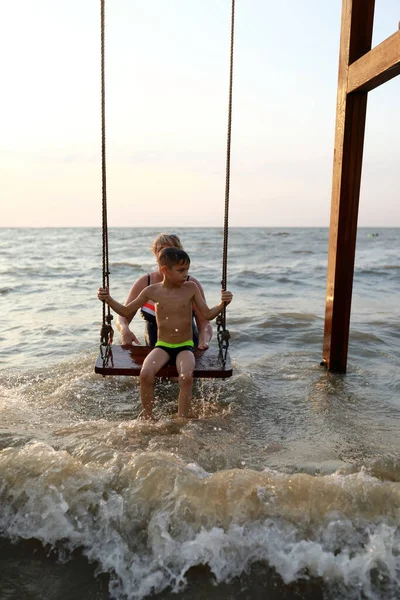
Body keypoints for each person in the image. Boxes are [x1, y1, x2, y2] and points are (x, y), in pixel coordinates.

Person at [98, 247, 233, 420]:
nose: (186, 274)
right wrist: (108, 299)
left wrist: (223, 304)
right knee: (145, 374)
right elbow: (125, 310)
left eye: (187, 270)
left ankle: (182, 419)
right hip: (162, 346)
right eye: (181, 270)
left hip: (185, 347)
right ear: (165, 270)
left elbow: (207, 315)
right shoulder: (152, 291)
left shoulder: (190, 288)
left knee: (185, 377)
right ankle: (148, 417)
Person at [115, 234, 213, 350]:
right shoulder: (145, 283)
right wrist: (124, 330)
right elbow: (123, 316)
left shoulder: (190, 284)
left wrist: (204, 341)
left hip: (189, 349)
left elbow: (204, 323)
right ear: (155, 254)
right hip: (153, 351)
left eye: (169, 249)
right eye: (160, 250)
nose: (164, 253)